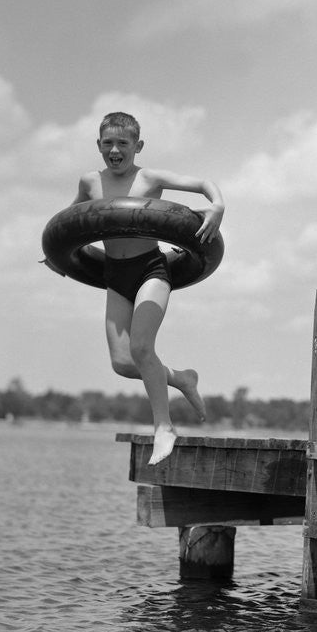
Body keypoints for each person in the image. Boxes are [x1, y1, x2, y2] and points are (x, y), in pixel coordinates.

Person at [70, 111, 225, 465]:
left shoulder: (149, 179)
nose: (114, 150)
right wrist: (57, 253)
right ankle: (182, 378)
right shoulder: (90, 182)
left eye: (122, 143)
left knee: (142, 347)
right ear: (98, 145)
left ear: (137, 146)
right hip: (114, 275)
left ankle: (164, 427)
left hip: (151, 270)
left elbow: (203, 183)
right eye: (107, 143)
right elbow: (70, 221)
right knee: (123, 363)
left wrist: (217, 206)